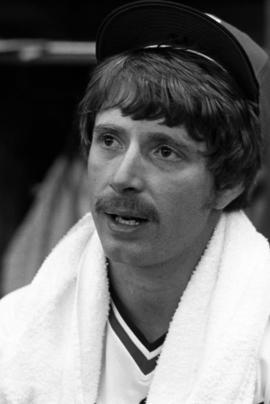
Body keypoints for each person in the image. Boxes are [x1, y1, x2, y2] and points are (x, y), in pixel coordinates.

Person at [0, 1, 270, 403]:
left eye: (165, 151)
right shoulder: (13, 331)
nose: (123, 177)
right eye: (109, 140)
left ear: (228, 182)